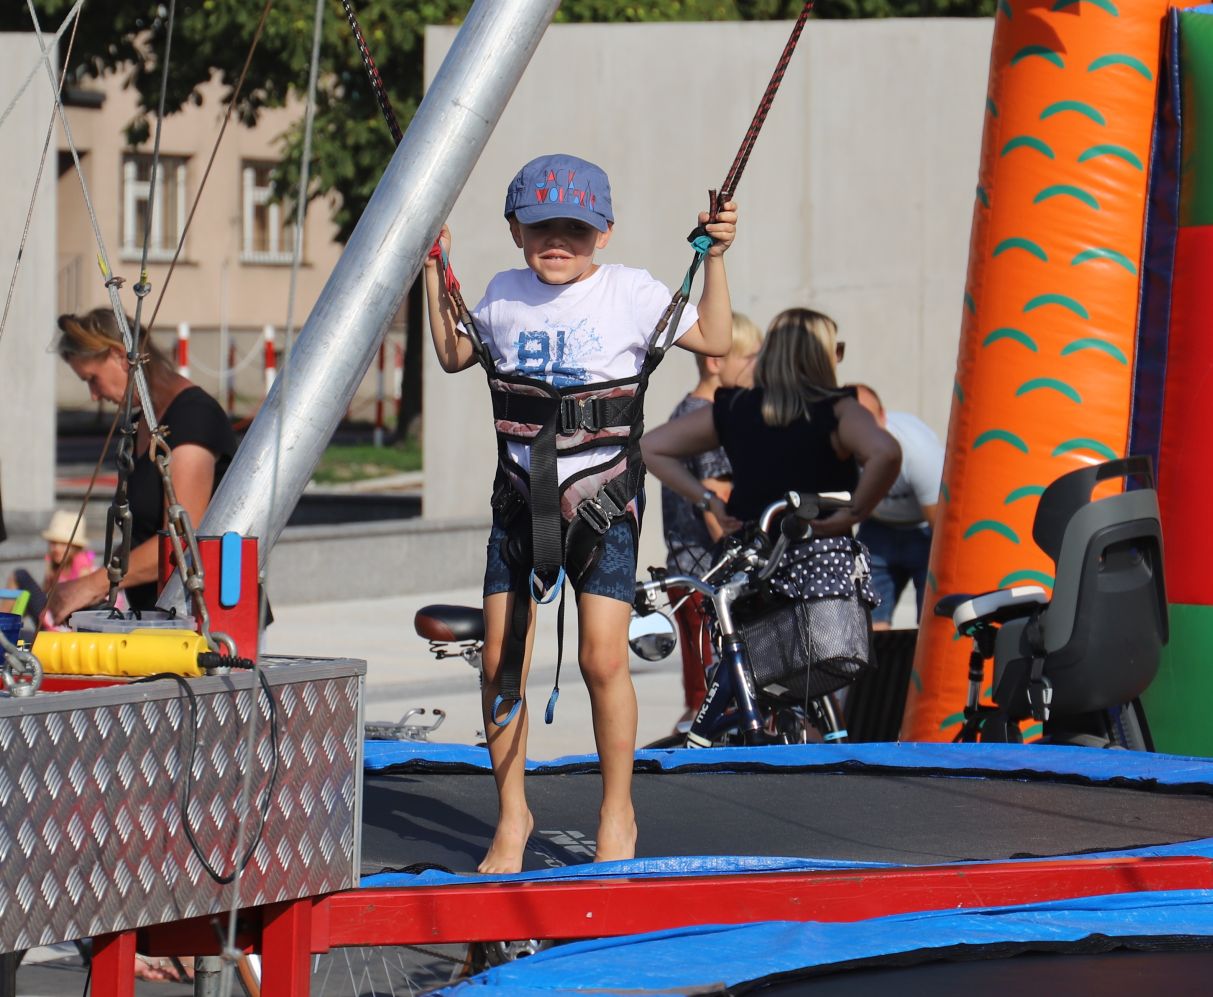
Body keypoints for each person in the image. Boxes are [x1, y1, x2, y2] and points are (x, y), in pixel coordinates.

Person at [424, 153, 738, 873]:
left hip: (601, 505)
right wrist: (431, 265)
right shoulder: (503, 295)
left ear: (604, 232)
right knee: (502, 667)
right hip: (517, 503)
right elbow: (450, 353)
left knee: (603, 658)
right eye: (540, 229)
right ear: (514, 231)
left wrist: (715, 258)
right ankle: (512, 817)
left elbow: (715, 341)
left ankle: (616, 808)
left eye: (574, 229)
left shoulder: (629, 293)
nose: (556, 242)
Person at [641, 306, 901, 604]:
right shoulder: (838, 409)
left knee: (758, 649)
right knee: (833, 649)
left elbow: (651, 447)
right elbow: (887, 454)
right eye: (836, 349)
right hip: (824, 567)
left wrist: (708, 501)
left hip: (755, 568)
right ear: (820, 355)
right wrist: (853, 513)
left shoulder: (736, 409)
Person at [46, 309, 238, 624]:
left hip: (211, 622)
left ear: (121, 356)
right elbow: (145, 534)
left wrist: (92, 585)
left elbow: (180, 544)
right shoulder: (143, 424)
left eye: (92, 379)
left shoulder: (192, 418)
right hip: (161, 618)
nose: (94, 395)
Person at [660, 312, 764, 724]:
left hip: (688, 571)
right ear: (716, 361)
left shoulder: (685, 409)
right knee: (714, 696)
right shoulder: (710, 418)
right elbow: (719, 505)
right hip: (709, 579)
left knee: (702, 693)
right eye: (751, 357)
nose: (757, 367)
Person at [852, 383, 944, 628]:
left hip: (924, 532)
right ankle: (882, 667)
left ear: (883, 416)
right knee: (869, 628)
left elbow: (941, 528)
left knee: (930, 626)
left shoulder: (919, 452)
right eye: (853, 424)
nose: (862, 433)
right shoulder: (838, 450)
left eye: (868, 421)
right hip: (877, 529)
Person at [6, 509, 98, 628]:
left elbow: (83, 601)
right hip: (50, 615)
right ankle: (5, 624)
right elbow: (45, 593)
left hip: (66, 622)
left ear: (75, 547)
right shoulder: (53, 562)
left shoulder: (80, 561)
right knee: (19, 578)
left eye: (63, 544)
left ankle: (5, 626)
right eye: (53, 543)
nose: (56, 548)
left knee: (20, 575)